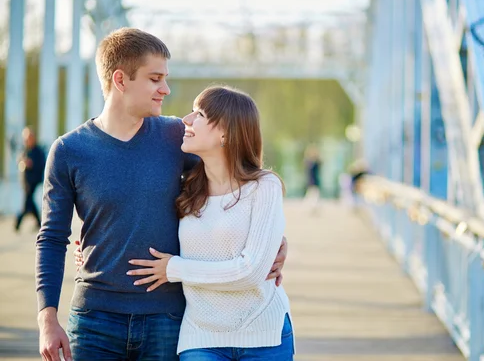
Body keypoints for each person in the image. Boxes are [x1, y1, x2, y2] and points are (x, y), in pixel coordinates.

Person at [36, 28, 288, 361]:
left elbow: (237, 181)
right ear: (121, 80)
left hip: (167, 319)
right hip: (94, 318)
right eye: (155, 79)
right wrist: (47, 318)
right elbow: (52, 238)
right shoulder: (69, 150)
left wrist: (277, 241)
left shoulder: (174, 136)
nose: (165, 89)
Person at [126, 85, 294, 360]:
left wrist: (175, 268)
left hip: (264, 334)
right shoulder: (184, 190)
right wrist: (87, 246)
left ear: (226, 131)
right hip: (200, 337)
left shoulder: (264, 187)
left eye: (199, 114)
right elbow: (132, 219)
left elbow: (251, 272)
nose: (186, 120)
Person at [15, 126, 46, 232]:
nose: (27, 140)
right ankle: (38, 223)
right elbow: (19, 161)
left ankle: (17, 223)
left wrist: (31, 164)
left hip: (34, 181)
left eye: (29, 138)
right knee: (30, 203)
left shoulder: (38, 151)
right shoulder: (24, 150)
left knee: (27, 202)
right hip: (25, 182)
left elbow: (42, 165)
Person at [303, 145, 321, 213]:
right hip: (311, 181)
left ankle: (314, 207)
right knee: (311, 195)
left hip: (315, 181)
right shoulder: (309, 162)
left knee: (314, 195)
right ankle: (312, 207)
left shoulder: (316, 162)